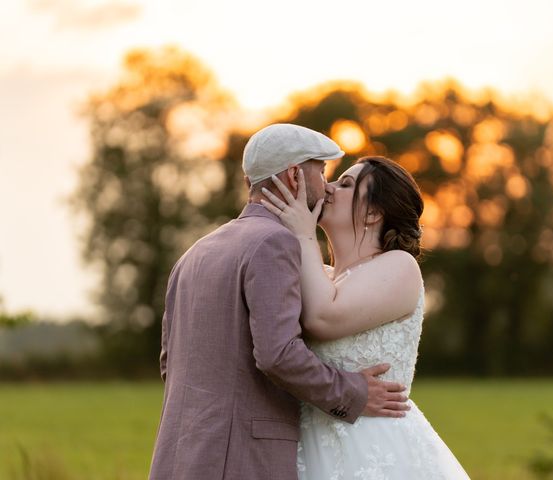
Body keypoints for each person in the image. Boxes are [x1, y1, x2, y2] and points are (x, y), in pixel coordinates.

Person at [148, 125, 410, 480]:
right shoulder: (275, 243)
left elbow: (170, 361)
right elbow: (277, 354)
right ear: (294, 175)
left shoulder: (196, 252)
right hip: (239, 459)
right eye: (322, 171)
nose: (327, 186)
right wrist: (352, 392)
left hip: (180, 454)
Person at [261, 155, 470, 479]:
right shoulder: (322, 277)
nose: (327, 189)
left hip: (374, 451)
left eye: (345, 184)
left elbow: (323, 318)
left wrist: (303, 234)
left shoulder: (399, 266)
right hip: (304, 449)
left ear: (373, 212)